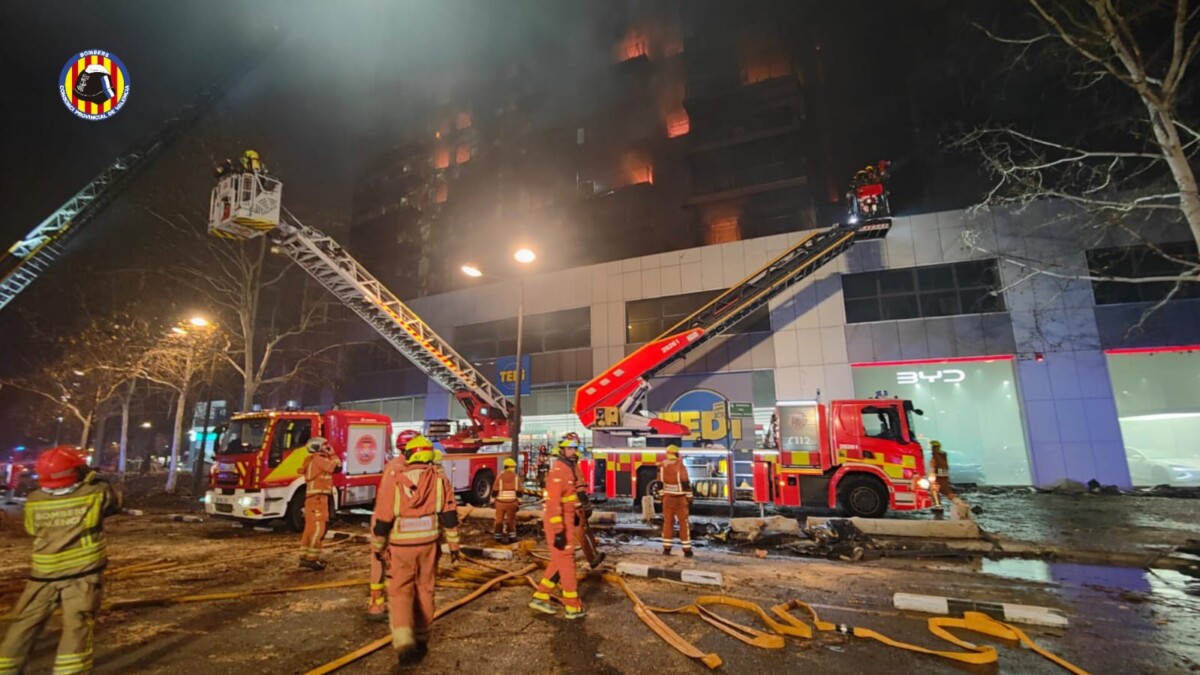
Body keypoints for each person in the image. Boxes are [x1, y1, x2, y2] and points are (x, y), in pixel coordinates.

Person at [0, 447, 121, 675]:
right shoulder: (94, 493)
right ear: (76, 471)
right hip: (81, 576)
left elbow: (31, 528)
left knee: (24, 624)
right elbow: (114, 503)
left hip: (42, 575)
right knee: (77, 626)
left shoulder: (34, 499)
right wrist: (94, 477)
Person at [371, 435, 460, 666]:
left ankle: (404, 644)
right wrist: (454, 546)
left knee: (400, 593)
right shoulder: (440, 480)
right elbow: (449, 515)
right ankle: (422, 639)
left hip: (401, 548)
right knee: (425, 590)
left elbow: (383, 517)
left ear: (409, 455)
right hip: (429, 546)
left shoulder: (395, 478)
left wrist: (378, 546)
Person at [529, 438, 585, 619]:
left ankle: (541, 595)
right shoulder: (558, 472)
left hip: (566, 518)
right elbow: (553, 503)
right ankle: (572, 605)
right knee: (567, 561)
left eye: (575, 448)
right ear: (561, 450)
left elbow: (569, 496)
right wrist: (559, 529)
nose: (574, 451)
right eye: (570, 449)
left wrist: (576, 510)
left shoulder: (568, 469)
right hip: (558, 521)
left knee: (559, 560)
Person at [299, 437, 341, 571]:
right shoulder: (319, 459)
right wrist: (333, 454)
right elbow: (337, 468)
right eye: (325, 446)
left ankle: (305, 556)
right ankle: (311, 559)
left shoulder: (311, 460)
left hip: (313, 498)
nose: (326, 448)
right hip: (319, 499)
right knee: (319, 528)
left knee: (310, 528)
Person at [658, 445, 694, 557]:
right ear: (677, 454)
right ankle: (687, 550)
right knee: (684, 524)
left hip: (667, 499)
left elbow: (659, 483)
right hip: (680, 499)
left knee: (668, 523)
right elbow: (685, 482)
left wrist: (662, 496)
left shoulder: (662, 466)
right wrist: (689, 497)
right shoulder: (680, 466)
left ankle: (667, 549)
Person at [492, 457, 521, 544]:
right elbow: (519, 491)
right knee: (510, 521)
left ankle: (497, 538)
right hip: (512, 503)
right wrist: (519, 501)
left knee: (499, 521)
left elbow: (494, 489)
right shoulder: (516, 477)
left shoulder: (499, 477)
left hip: (500, 503)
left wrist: (492, 500)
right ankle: (512, 538)